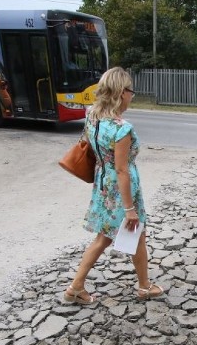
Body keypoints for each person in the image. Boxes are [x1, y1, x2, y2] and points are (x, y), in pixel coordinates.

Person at [64, 67, 164, 305]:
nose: (132, 96)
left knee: (133, 235)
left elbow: (92, 147)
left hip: (103, 183)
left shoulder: (92, 116)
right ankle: (75, 287)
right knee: (107, 237)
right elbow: (122, 170)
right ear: (121, 93)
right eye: (131, 91)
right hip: (121, 189)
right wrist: (129, 209)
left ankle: (143, 286)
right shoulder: (121, 128)